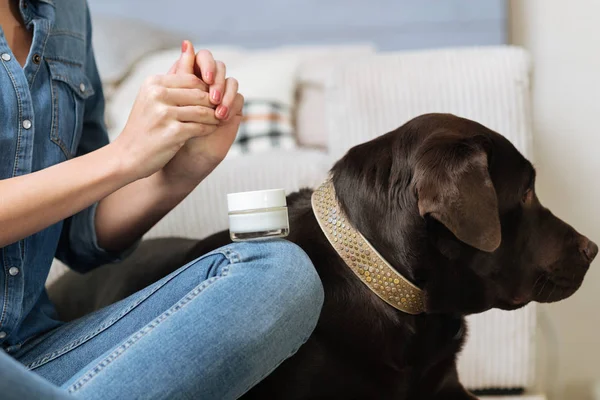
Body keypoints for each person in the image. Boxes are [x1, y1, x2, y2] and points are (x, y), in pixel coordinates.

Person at [0, 0, 324, 398]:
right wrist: (123, 156)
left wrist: (178, 171)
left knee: (283, 275)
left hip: (39, 355)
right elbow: (113, 163)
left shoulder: (68, 11)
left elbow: (79, 235)